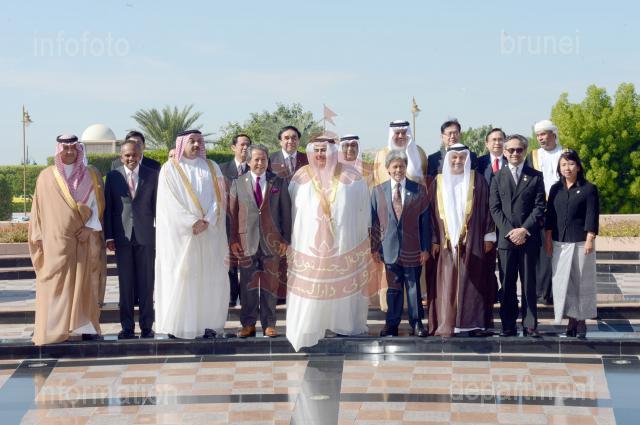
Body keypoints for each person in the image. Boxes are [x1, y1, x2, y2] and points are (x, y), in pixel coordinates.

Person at [287, 135, 373, 351]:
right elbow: (291, 212)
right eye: (316, 150)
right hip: (308, 245)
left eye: (324, 150)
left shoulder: (352, 175)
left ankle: (342, 324)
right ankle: (310, 324)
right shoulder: (301, 176)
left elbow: (364, 212)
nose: (320, 154)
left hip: (344, 242)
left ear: (334, 151)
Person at [29, 134, 106, 345]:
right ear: (58, 150)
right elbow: (37, 210)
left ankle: (85, 328)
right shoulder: (45, 177)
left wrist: (89, 228)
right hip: (54, 243)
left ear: (79, 150)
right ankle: (54, 328)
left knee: (83, 283)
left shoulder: (88, 176)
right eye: (65, 148)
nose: (70, 152)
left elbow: (96, 206)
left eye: (74, 148)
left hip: (81, 240)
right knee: (55, 284)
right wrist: (38, 236)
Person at [154, 130, 229, 339]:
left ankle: (208, 325)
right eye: (192, 141)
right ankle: (179, 327)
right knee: (182, 277)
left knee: (209, 279)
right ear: (182, 143)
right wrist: (192, 222)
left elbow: (220, 197)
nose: (196, 145)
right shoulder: (169, 169)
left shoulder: (212, 167)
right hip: (182, 237)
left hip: (209, 234)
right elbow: (168, 203)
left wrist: (208, 220)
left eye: (199, 141)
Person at [428, 144, 496, 337]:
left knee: (473, 282)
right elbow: (430, 214)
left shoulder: (478, 180)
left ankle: (472, 324)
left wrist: (489, 236)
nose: (458, 161)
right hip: (446, 243)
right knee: (447, 282)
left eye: (461, 158)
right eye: (454, 157)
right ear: (448, 159)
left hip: (473, 240)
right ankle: (447, 323)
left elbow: (488, 209)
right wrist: (434, 239)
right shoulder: (438, 182)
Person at [229, 144, 291, 338]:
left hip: (272, 243)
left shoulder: (278, 182)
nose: (260, 163)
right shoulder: (238, 183)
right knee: (247, 286)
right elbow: (232, 214)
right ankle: (248, 324)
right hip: (246, 242)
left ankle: (269, 324)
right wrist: (233, 239)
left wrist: (285, 239)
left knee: (270, 285)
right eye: (256, 159)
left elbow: (286, 213)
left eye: (263, 159)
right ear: (248, 162)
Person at [490, 134, 546, 337]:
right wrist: (510, 232)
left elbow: (539, 207)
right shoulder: (497, 177)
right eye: (511, 150)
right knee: (507, 284)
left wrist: (523, 230)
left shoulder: (536, 176)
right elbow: (494, 208)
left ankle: (530, 323)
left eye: (519, 150)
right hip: (506, 240)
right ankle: (508, 324)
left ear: (525, 151)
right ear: (505, 152)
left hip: (528, 238)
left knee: (529, 283)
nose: (515, 153)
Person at [371, 150, 431, 337]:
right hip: (389, 249)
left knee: (413, 288)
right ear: (388, 169)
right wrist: (374, 248)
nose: (398, 170)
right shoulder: (378, 191)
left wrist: (425, 248)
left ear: (406, 167)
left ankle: (417, 323)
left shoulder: (419, 190)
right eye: (395, 166)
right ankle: (391, 325)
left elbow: (425, 222)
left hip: (413, 249)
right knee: (393, 289)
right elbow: (374, 222)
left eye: (402, 166)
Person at [104, 139, 159, 339]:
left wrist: (159, 235)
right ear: (121, 157)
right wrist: (109, 236)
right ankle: (127, 327)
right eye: (127, 155)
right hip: (122, 238)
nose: (131, 158)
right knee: (125, 284)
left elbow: (157, 207)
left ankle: (146, 327)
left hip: (146, 237)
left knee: (147, 284)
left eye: (134, 154)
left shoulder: (152, 175)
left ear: (140, 154)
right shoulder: (113, 177)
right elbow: (108, 208)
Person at [545, 149, 599, 338]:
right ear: (559, 168)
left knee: (581, 282)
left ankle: (580, 321)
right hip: (559, 242)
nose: (567, 168)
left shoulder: (588, 188)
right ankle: (570, 318)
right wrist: (548, 240)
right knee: (564, 283)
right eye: (563, 165)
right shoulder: (555, 189)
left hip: (581, 242)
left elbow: (592, 215)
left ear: (578, 166)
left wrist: (590, 239)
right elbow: (550, 217)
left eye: (571, 164)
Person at [268, 126, 309, 304]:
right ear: (280, 141)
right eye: (286, 138)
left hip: (304, 214)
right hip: (278, 215)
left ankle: (303, 292)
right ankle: (281, 295)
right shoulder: (270, 160)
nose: (290, 141)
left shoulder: (308, 160)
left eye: (294, 138)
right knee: (280, 256)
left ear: (299, 141)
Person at [528, 119, 564, 305]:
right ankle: (541, 293)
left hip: (562, 211)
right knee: (542, 253)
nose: (540, 138)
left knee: (560, 252)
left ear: (553, 134)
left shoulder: (566, 154)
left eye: (543, 134)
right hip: (540, 211)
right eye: (538, 135)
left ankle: (559, 293)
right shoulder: (533, 156)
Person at [476, 128, 509, 301]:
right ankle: (490, 291)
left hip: (506, 219)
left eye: (500, 139)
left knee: (506, 260)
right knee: (486, 259)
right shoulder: (479, 163)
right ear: (487, 143)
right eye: (494, 140)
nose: (497, 143)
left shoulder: (512, 161)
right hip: (484, 220)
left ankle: (507, 293)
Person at [220, 134, 252, 307]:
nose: (245, 147)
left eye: (248, 145)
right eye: (242, 144)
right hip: (227, 222)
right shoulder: (222, 169)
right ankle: (231, 297)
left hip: (249, 224)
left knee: (248, 264)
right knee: (230, 263)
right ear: (233, 147)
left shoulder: (256, 167)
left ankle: (246, 299)